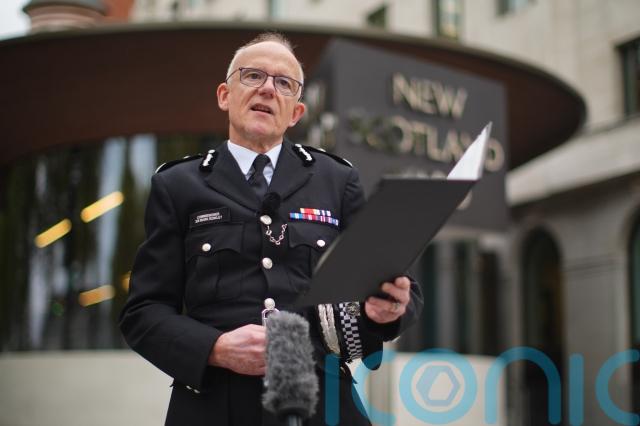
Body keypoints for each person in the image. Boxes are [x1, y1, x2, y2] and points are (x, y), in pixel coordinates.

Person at [119, 32, 423, 426]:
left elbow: (397, 288)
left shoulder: (336, 180)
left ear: (296, 113)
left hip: (321, 401)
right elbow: (143, 312)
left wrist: (384, 311)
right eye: (253, 76)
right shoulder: (178, 185)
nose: (267, 89)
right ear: (225, 95)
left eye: (284, 83)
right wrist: (215, 348)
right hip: (214, 405)